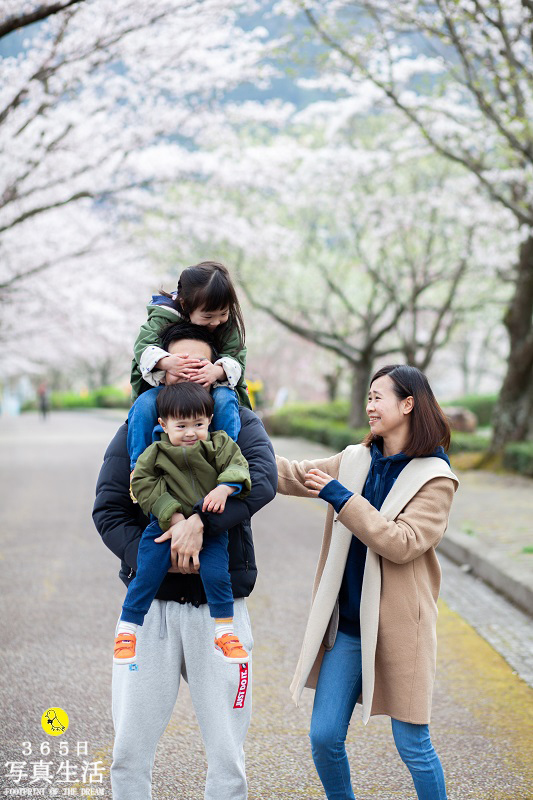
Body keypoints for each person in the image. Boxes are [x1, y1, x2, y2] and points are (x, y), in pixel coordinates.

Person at [93, 322, 277, 800]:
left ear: (218, 373)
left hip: (221, 611)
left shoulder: (240, 424)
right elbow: (109, 508)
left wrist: (200, 524)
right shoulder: (139, 426)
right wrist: (160, 554)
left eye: (202, 367)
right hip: (152, 609)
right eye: (180, 367)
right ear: (163, 374)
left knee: (227, 755)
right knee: (128, 750)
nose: (191, 378)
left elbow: (263, 482)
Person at [276, 365, 459, 800]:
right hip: (349, 628)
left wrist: (343, 498)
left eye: (378, 397)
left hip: (401, 630)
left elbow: (403, 543)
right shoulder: (355, 459)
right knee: (323, 737)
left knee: (412, 745)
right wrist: (231, 451)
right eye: (369, 397)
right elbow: (294, 474)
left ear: (408, 404)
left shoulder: (435, 478)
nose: (369, 406)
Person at [115, 382, 252, 666]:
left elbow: (238, 465)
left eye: (198, 424)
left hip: (210, 528)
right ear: (164, 425)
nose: (191, 433)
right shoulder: (155, 452)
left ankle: (224, 632)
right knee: (147, 570)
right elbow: (141, 483)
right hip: (163, 526)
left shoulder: (219, 444)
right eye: (181, 426)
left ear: (210, 421)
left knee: (217, 574)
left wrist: (225, 488)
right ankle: (127, 629)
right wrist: (171, 514)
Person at [128, 261, 249, 476]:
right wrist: (166, 362)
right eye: (208, 316)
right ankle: (138, 469)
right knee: (145, 404)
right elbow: (143, 347)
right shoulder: (163, 316)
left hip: (211, 386)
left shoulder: (227, 326)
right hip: (170, 388)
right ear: (185, 305)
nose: (216, 322)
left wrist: (217, 371)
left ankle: (229, 460)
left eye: (223, 313)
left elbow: (237, 361)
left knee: (224, 399)